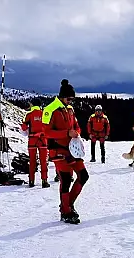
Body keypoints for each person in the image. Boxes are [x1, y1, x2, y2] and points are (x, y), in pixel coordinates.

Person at [42, 79, 89, 224]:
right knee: (66, 180)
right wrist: (67, 133)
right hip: (58, 151)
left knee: (83, 176)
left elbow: (76, 126)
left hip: (72, 150)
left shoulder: (70, 109)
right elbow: (46, 132)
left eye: (72, 99)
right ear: (62, 96)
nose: (71, 101)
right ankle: (66, 211)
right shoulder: (50, 110)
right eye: (69, 98)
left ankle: (68, 204)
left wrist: (76, 132)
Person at [21, 98, 50, 188]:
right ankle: (44, 181)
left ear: (32, 105)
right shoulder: (44, 114)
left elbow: (24, 128)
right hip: (43, 140)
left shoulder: (29, 115)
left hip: (32, 140)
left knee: (32, 161)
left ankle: (31, 180)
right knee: (43, 161)